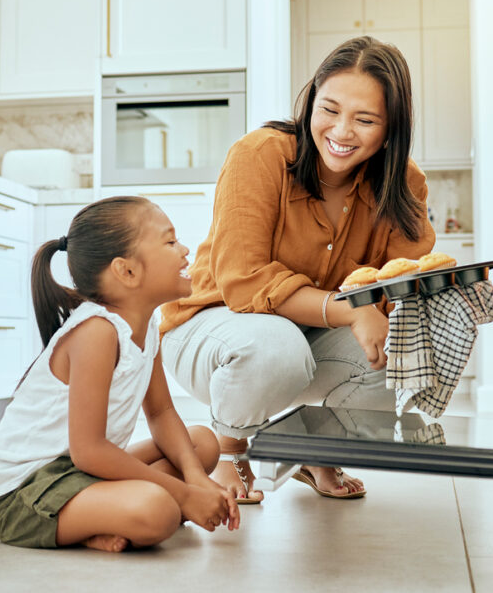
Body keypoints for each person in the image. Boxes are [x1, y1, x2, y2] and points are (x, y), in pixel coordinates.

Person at [160, 36, 436, 503]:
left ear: (390, 130)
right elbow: (244, 282)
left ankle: (317, 447)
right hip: (214, 330)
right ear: (310, 101)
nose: (342, 131)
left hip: (307, 338)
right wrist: (350, 310)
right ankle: (229, 450)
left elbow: (403, 281)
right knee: (276, 348)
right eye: (329, 109)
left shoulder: (405, 183)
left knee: (406, 349)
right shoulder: (261, 154)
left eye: (364, 120)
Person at [0, 196, 239, 551]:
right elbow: (89, 452)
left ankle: (104, 515)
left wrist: (195, 479)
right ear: (126, 271)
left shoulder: (147, 327)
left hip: (76, 472)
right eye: (170, 241)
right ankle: (102, 520)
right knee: (158, 509)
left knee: (202, 445)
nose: (185, 250)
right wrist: (183, 494)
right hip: (21, 492)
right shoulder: (97, 333)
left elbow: (160, 413)